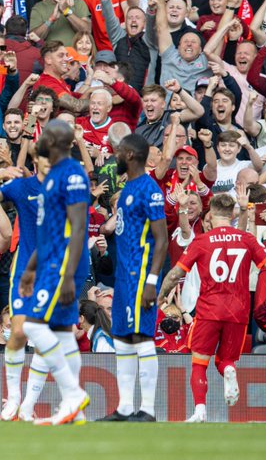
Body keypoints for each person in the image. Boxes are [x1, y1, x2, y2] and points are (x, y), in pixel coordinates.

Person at [158, 193, 266, 423]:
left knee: (199, 361)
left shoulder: (202, 241)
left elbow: (176, 273)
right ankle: (228, 369)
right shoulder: (247, 239)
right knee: (225, 360)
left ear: (212, 214)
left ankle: (200, 410)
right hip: (238, 311)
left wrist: (162, 295)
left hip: (208, 310)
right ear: (231, 213)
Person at [18, 119, 91, 426]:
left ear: (58, 141)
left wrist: (71, 276)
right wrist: (30, 268)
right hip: (47, 262)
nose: (40, 137)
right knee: (62, 335)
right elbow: (48, 230)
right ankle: (75, 409)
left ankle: (73, 394)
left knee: (33, 327)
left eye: (45, 134)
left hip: (62, 265)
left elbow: (77, 228)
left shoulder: (73, 173)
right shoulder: (53, 176)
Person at [98, 134, 168, 422]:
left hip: (141, 275)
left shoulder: (149, 189)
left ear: (129, 154)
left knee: (141, 337)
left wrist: (152, 282)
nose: (115, 157)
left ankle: (148, 409)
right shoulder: (127, 190)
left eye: (118, 152)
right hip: (124, 276)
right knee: (124, 339)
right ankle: (126, 407)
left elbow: (161, 240)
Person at [0, 160, 48, 421]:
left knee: (43, 339)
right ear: (37, 161)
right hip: (24, 269)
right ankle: (14, 396)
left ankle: (28, 403)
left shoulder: (66, 188)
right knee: (17, 331)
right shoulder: (22, 186)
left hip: (53, 271)